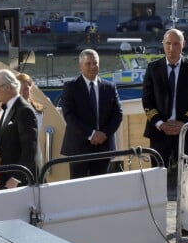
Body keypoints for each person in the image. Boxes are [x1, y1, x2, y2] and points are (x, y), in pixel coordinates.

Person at [142, 28, 188, 168]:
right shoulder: (153, 68)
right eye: (168, 43)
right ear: (163, 44)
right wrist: (160, 124)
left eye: (176, 43)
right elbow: (147, 100)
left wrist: (183, 123)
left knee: (187, 175)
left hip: (185, 132)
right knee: (157, 176)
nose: (171, 48)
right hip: (159, 132)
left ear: (183, 44)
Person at [59, 49, 123, 179]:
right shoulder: (71, 87)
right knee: (78, 189)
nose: (93, 66)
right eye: (88, 63)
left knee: (100, 189)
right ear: (80, 65)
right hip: (78, 147)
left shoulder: (109, 87)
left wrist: (104, 134)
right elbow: (69, 116)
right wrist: (92, 134)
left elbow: (118, 114)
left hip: (103, 146)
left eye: (95, 63)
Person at [0, 69, 38, 189]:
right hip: (7, 176)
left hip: (20, 181)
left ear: (7, 87)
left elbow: (30, 148)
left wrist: (16, 178)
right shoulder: (6, 109)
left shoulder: (24, 110)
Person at [17, 72, 45, 166]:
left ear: (31, 87)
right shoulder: (10, 111)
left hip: (34, 153)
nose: (22, 93)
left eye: (25, 89)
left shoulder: (38, 110)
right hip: (17, 155)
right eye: (19, 90)